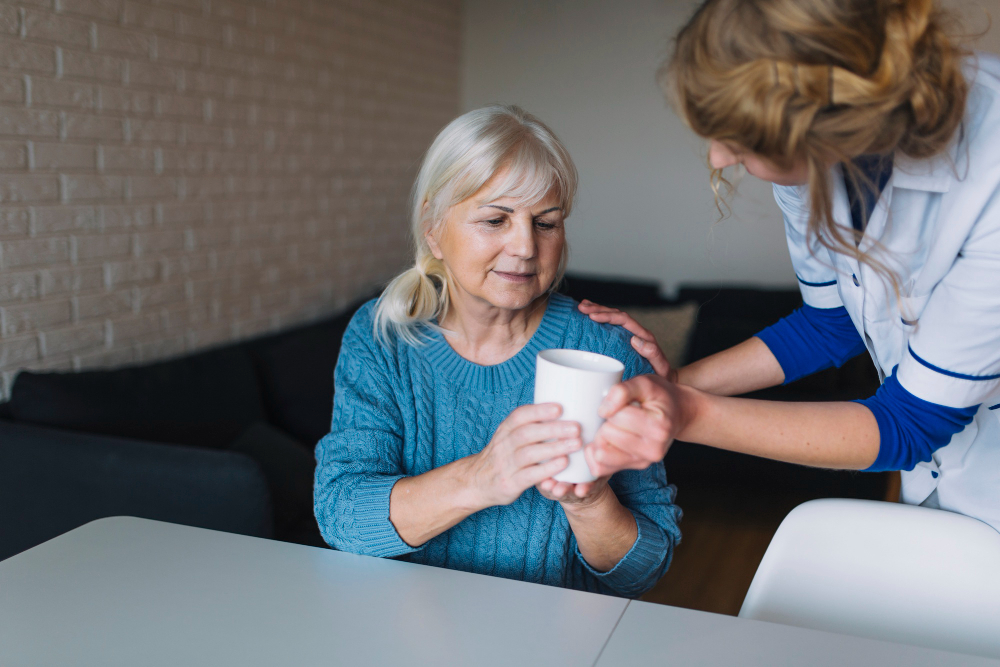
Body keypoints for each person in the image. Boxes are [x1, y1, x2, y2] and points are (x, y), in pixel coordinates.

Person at [581, 0, 1000, 532]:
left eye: (739, 138)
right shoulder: (813, 160)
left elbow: (909, 423)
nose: (718, 156)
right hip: (943, 486)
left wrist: (687, 413)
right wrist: (675, 384)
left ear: (827, 123)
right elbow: (832, 324)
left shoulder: (991, 170)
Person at [314, 105, 681, 598]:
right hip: (409, 623)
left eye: (546, 223)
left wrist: (590, 502)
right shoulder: (384, 337)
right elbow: (341, 516)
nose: (526, 247)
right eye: (495, 219)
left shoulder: (604, 347)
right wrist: (480, 478)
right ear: (432, 228)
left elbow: (645, 568)